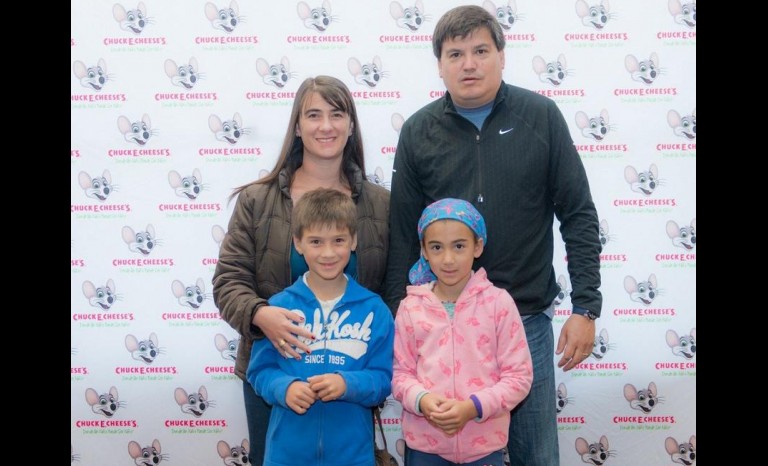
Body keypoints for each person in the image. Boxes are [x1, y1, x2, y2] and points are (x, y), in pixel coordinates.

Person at [383, 6, 602, 466]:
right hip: (440, 326)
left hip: (525, 321)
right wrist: (395, 317)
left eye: (481, 50)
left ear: (502, 56)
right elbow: (403, 233)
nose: (469, 63)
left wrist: (586, 306)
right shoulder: (418, 131)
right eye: (455, 53)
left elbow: (578, 213)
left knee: (536, 457)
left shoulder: (540, 117)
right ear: (439, 64)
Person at [213, 75, 391, 465]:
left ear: (350, 124)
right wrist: (261, 316)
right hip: (275, 375)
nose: (325, 126)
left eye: (336, 114)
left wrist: (365, 373)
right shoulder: (258, 201)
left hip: (352, 381)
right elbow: (229, 281)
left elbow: (395, 289)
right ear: (297, 126)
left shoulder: (381, 204)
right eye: (313, 115)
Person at [246, 188, 395, 466]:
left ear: (353, 241)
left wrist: (347, 384)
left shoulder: (374, 310)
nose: (328, 253)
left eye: (338, 240)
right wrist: (285, 388)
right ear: (298, 244)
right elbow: (259, 371)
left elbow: (383, 380)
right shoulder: (278, 308)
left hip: (353, 456)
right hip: (286, 456)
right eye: (316, 241)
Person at [392, 198, 533, 466]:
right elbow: (400, 375)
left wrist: (473, 407)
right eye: (436, 247)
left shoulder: (498, 304)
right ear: (423, 250)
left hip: (484, 449)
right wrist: (422, 401)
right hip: (425, 448)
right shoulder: (410, 308)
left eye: (459, 246)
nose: (448, 259)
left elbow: (519, 377)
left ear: (477, 246)